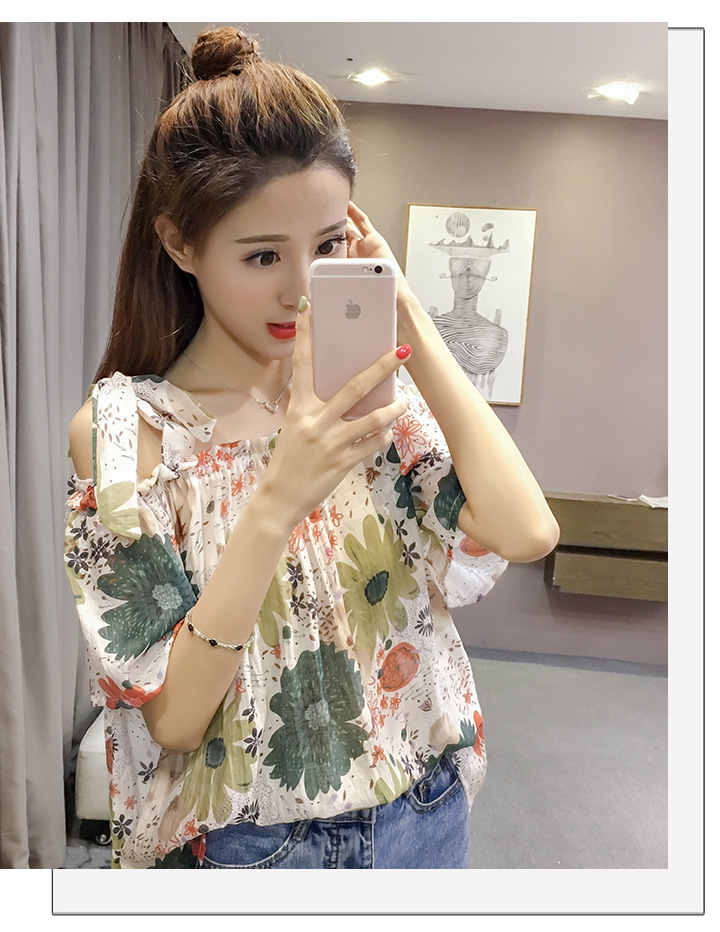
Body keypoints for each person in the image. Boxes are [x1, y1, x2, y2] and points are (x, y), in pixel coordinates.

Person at [64, 27, 559, 870]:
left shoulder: (367, 395)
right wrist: (278, 499)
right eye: (263, 255)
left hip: (423, 814)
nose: (301, 288)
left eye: (329, 246)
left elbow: (527, 529)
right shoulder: (131, 433)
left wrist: (408, 317)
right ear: (180, 244)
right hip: (251, 848)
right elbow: (174, 719)